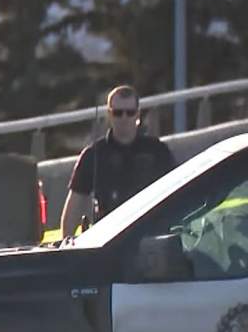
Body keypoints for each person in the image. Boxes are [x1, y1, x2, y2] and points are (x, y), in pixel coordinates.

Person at [61, 85, 176, 237]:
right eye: (117, 113)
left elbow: (176, 196)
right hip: (109, 242)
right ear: (109, 114)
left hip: (150, 237)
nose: (124, 118)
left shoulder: (157, 151)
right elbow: (73, 209)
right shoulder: (94, 155)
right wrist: (67, 244)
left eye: (130, 113)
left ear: (138, 115)